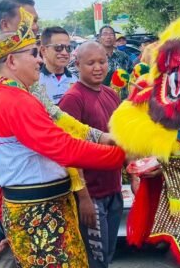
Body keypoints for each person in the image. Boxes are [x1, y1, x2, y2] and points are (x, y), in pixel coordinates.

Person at [0, 25, 126, 267]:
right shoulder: (15, 101)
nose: (39, 60)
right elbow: (64, 148)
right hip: (40, 213)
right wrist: (120, 155)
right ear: (11, 61)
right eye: (33, 53)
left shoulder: (8, 96)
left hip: (36, 208)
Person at [58, 42, 123, 268]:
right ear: (77, 65)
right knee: (95, 257)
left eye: (102, 61)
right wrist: (84, 198)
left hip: (113, 188)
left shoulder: (111, 94)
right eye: (91, 63)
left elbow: (120, 138)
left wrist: (133, 175)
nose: (98, 68)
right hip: (91, 194)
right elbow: (69, 151)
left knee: (108, 253)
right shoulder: (72, 99)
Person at [38, 27, 77, 104]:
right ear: (44, 50)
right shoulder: (35, 82)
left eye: (68, 48)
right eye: (58, 47)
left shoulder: (76, 81)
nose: (65, 53)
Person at [96, 25, 133, 100]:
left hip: (122, 100)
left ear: (115, 38)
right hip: (103, 100)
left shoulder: (123, 56)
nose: (108, 37)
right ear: (99, 38)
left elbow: (131, 75)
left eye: (111, 34)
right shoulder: (95, 57)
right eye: (105, 34)